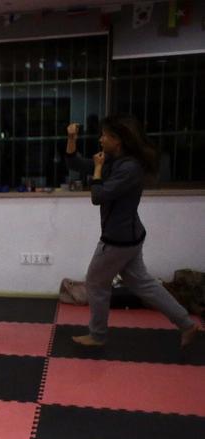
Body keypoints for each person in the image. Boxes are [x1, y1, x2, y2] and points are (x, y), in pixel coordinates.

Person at [65, 116, 200, 348]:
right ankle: (186, 323)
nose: (101, 139)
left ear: (117, 141)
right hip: (130, 236)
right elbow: (75, 163)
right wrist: (71, 138)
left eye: (105, 135)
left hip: (118, 239)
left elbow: (98, 196)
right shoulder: (113, 160)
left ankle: (97, 335)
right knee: (143, 284)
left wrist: (97, 169)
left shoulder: (129, 168)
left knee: (96, 283)